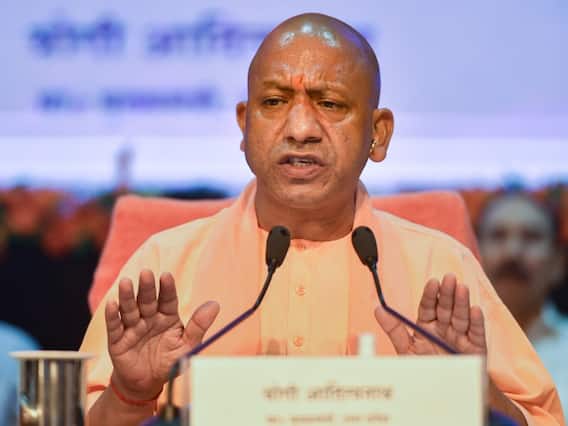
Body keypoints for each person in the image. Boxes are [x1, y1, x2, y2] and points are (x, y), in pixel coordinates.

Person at [80, 13, 564, 426]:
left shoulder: (441, 268)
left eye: (330, 104)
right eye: (274, 103)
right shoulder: (164, 266)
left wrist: (473, 394)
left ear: (378, 134)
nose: (300, 129)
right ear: (244, 125)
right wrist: (131, 394)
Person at [477, 192, 568, 411]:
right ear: (473, 254)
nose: (513, 252)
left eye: (531, 237)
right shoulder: (443, 348)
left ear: (558, 263)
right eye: (498, 236)